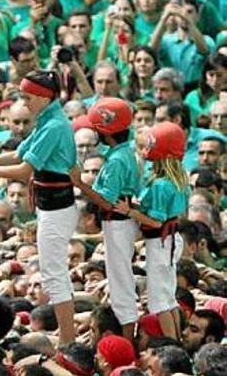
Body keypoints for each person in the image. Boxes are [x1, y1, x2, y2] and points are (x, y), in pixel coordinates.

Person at [0, 70, 78, 344]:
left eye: (27, 97)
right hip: (50, 207)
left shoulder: (54, 126)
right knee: (54, 274)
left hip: (57, 208)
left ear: (43, 96)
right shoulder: (47, 120)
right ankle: (67, 333)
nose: (24, 102)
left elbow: (25, 168)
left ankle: (68, 339)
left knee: (55, 275)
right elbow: (19, 152)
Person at [114, 122, 189, 340]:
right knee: (168, 297)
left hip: (160, 241)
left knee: (159, 302)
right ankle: (178, 339)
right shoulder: (180, 180)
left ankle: (172, 344)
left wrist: (129, 211)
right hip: (172, 238)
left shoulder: (160, 185)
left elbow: (156, 222)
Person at [76, 98, 140, 339]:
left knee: (121, 282)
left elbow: (106, 201)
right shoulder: (124, 152)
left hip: (117, 221)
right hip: (121, 222)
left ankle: (127, 340)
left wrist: (79, 183)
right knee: (120, 279)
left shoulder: (115, 161)